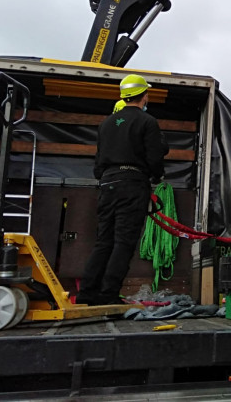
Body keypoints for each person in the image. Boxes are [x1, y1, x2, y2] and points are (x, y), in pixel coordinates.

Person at [77, 74, 168, 305]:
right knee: (124, 242)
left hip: (107, 184)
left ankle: (87, 293)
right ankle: (108, 294)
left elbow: (98, 162)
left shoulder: (106, 123)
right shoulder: (147, 122)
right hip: (132, 184)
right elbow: (154, 157)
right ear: (144, 96)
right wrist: (156, 176)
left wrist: (106, 176)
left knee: (103, 241)